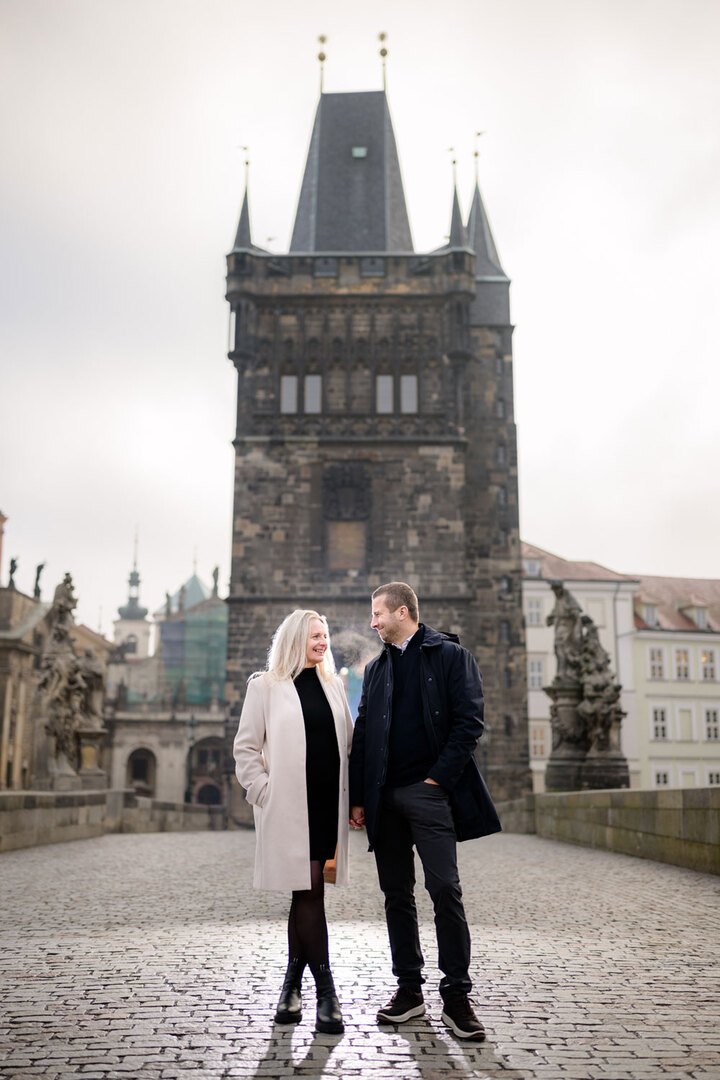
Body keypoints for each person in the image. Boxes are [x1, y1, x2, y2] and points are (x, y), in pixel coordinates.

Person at [349, 582, 501, 1041]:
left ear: (402, 611)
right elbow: (363, 734)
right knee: (397, 895)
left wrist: (436, 781)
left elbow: (468, 723)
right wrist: (359, 796)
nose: (373, 623)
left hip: (428, 793)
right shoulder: (376, 670)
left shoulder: (452, 657)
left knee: (445, 891)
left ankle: (457, 996)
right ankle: (409, 992)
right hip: (384, 798)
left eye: (378, 614)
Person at [234, 610, 354, 1034]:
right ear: (293, 639)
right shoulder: (264, 687)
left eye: (325, 635)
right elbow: (246, 749)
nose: (323, 642)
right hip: (288, 807)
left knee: (305, 893)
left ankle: (290, 987)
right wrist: (263, 792)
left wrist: (354, 800)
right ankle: (326, 990)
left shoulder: (334, 684)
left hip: (326, 805)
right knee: (309, 889)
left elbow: (349, 747)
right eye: (315, 636)